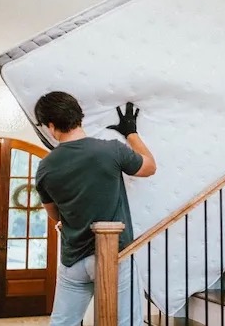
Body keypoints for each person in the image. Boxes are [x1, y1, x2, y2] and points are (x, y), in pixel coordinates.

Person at [34, 91, 156, 326]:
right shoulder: (111, 150)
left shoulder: (45, 167)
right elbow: (150, 167)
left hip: (74, 259)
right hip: (112, 254)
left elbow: (54, 214)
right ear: (79, 116)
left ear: (51, 126)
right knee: (126, 323)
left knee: (62, 323)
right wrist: (131, 133)